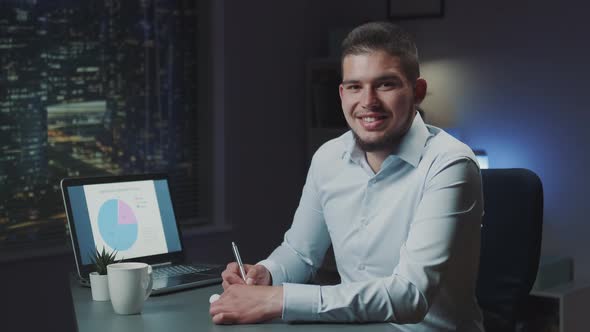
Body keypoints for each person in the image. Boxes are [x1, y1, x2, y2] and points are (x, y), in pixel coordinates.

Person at [210, 21, 485, 331]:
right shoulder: (328, 157)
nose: (368, 101)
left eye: (385, 84)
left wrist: (277, 299)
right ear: (342, 94)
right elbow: (300, 252)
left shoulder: (450, 163)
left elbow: (410, 296)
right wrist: (268, 274)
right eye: (355, 86)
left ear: (417, 91)